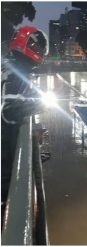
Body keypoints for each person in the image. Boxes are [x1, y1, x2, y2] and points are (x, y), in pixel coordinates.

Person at [1, 26, 48, 220]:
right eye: (37, 49)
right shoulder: (14, 71)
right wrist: (37, 104)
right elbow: (9, 110)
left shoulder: (10, 65)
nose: (39, 54)